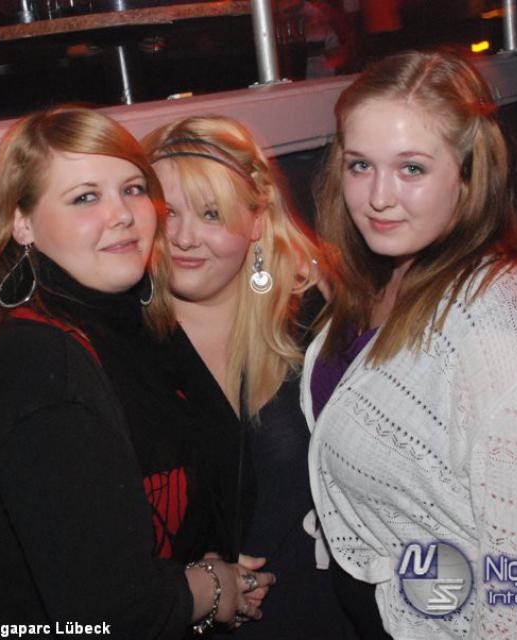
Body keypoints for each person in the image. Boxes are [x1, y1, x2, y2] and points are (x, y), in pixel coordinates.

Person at [0, 106, 274, 638]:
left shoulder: (134, 325)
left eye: (133, 189)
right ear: (22, 222)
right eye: (85, 197)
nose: (122, 215)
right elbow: (108, 612)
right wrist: (212, 587)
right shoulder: (36, 367)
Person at [303, 49, 517, 639]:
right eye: (359, 165)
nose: (378, 197)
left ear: (469, 175)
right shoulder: (388, 273)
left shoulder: (503, 332)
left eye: (412, 169)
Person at [141, 115, 358, 639]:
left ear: (256, 219)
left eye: (211, 213)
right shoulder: (127, 338)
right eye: (168, 214)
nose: (183, 238)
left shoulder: (313, 314)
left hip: (319, 605)